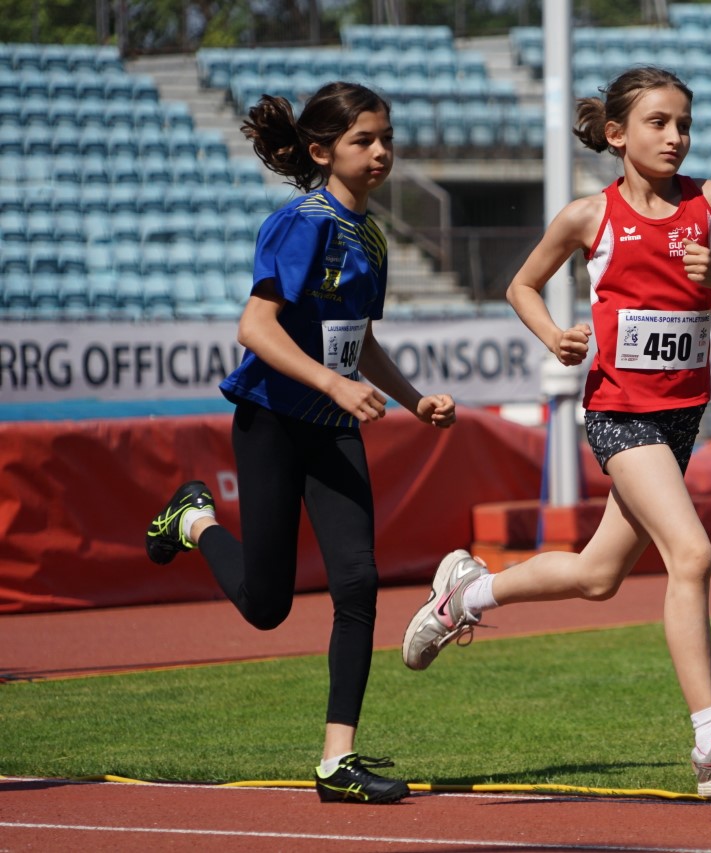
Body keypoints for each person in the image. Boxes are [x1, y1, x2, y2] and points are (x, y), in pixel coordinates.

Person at [401, 66, 711, 798]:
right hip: (619, 414)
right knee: (694, 551)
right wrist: (554, 334)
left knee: (597, 575)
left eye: (684, 123)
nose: (675, 136)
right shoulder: (590, 216)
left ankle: (465, 594)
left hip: (680, 421)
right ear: (617, 134)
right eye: (658, 123)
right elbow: (521, 283)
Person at [145, 81, 456, 805]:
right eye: (363, 141)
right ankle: (192, 518)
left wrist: (416, 401)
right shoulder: (302, 223)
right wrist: (331, 384)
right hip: (273, 420)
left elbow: (362, 341)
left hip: (333, 427)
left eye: (386, 138)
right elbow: (254, 328)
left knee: (358, 582)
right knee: (266, 604)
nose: (380, 152)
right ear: (321, 152)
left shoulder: (373, 235)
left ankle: (335, 761)